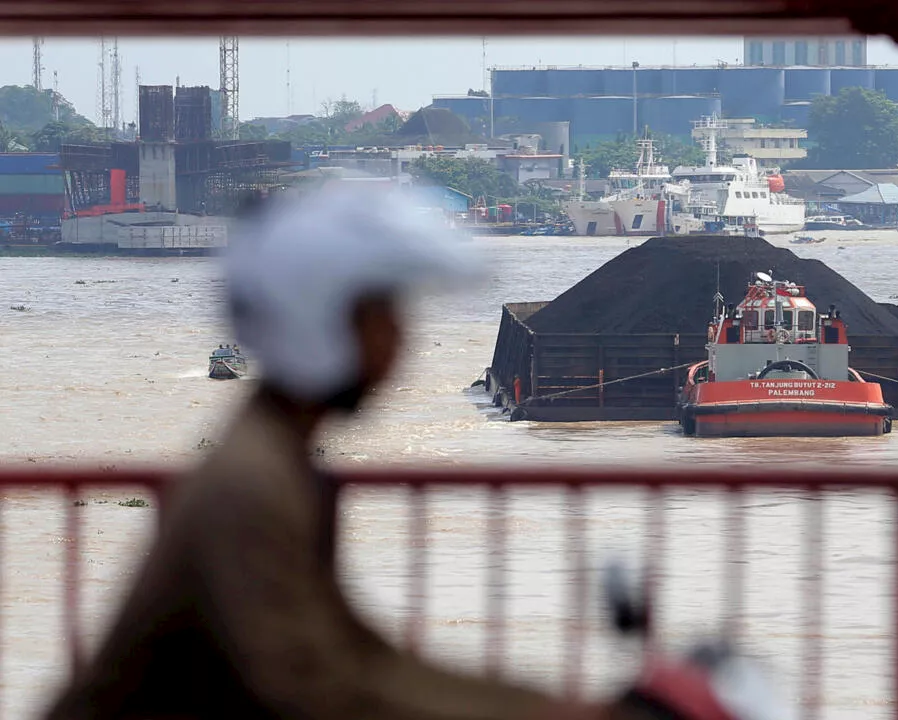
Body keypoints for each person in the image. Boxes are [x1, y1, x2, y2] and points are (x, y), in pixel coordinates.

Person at [43, 185, 644, 720]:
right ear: (319, 320)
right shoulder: (251, 487)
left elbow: (359, 655)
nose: (398, 342)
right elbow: (315, 686)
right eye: (381, 317)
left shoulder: (276, 464)